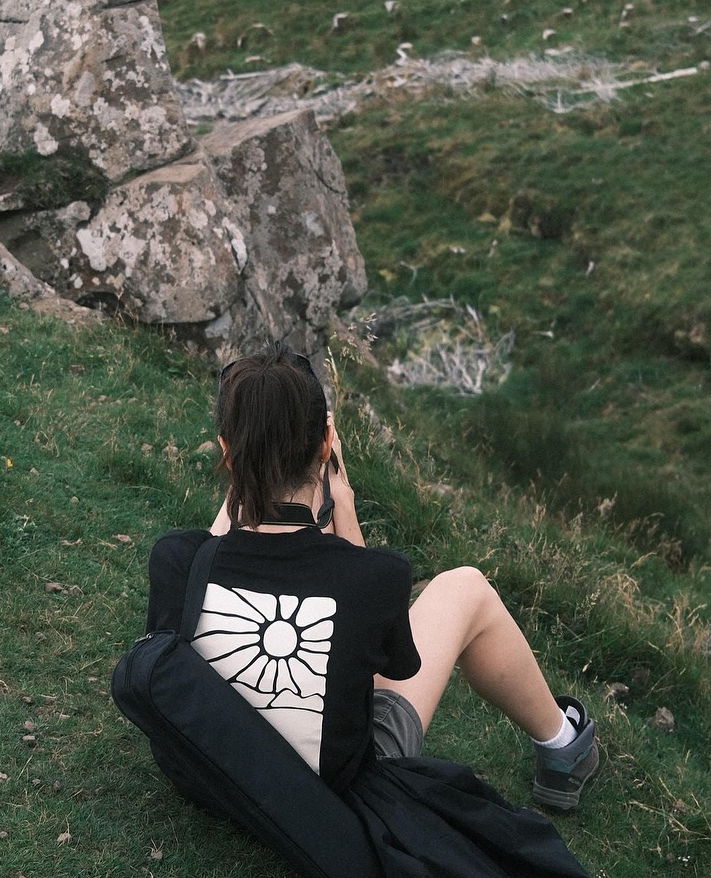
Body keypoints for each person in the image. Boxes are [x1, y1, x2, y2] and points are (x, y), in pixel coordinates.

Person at [145, 347, 599, 813]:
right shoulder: (374, 577)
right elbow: (391, 666)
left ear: (227, 451)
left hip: (215, 776)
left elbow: (220, 550)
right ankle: (566, 746)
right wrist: (344, 504)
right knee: (466, 588)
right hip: (328, 801)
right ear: (325, 444)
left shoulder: (176, 559)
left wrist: (248, 478)